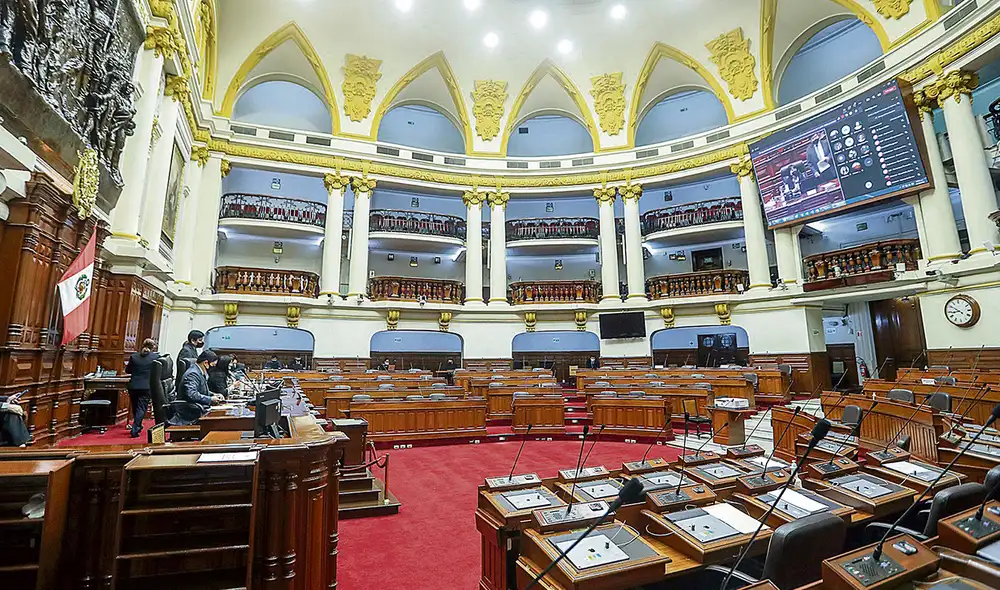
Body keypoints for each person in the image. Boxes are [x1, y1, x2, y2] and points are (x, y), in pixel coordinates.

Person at [169, 350, 224, 426]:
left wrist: (214, 395)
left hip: (197, 408)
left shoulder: (199, 371)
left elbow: (202, 390)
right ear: (205, 363)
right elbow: (192, 394)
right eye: (213, 365)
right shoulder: (193, 374)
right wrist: (210, 399)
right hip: (189, 413)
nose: (213, 368)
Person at [125, 338, 159, 438]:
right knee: (141, 408)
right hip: (146, 386)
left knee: (136, 407)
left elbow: (128, 370)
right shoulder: (155, 357)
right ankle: (135, 429)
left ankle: (137, 426)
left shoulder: (134, 357)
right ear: (153, 347)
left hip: (133, 386)